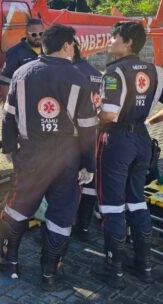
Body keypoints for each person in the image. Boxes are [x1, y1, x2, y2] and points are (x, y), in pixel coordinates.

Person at [0, 24, 98, 291]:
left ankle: (9, 261)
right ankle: (50, 274)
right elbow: (88, 128)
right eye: (72, 45)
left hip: (31, 154)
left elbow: (8, 116)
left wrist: (9, 149)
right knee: (61, 215)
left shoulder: (22, 73)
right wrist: (89, 164)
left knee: (17, 208)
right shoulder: (79, 78)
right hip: (66, 158)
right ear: (66, 45)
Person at [96, 21, 163, 287]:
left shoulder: (113, 72)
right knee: (137, 201)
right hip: (141, 141)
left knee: (112, 206)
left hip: (117, 140)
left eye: (114, 37)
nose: (110, 40)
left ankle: (114, 271)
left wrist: (92, 114)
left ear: (128, 42)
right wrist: (151, 121)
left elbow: (109, 114)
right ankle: (143, 266)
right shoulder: (154, 71)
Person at [71, 40, 104, 241]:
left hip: (72, 136)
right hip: (94, 133)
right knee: (90, 179)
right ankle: (83, 227)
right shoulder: (97, 74)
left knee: (68, 182)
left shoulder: (70, 73)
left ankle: (65, 225)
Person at [0, 19, 44, 101]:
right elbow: (5, 82)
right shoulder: (15, 52)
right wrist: (7, 105)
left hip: (44, 100)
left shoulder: (50, 50)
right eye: (34, 34)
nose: (38, 37)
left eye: (41, 34)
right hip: (24, 101)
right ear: (26, 34)